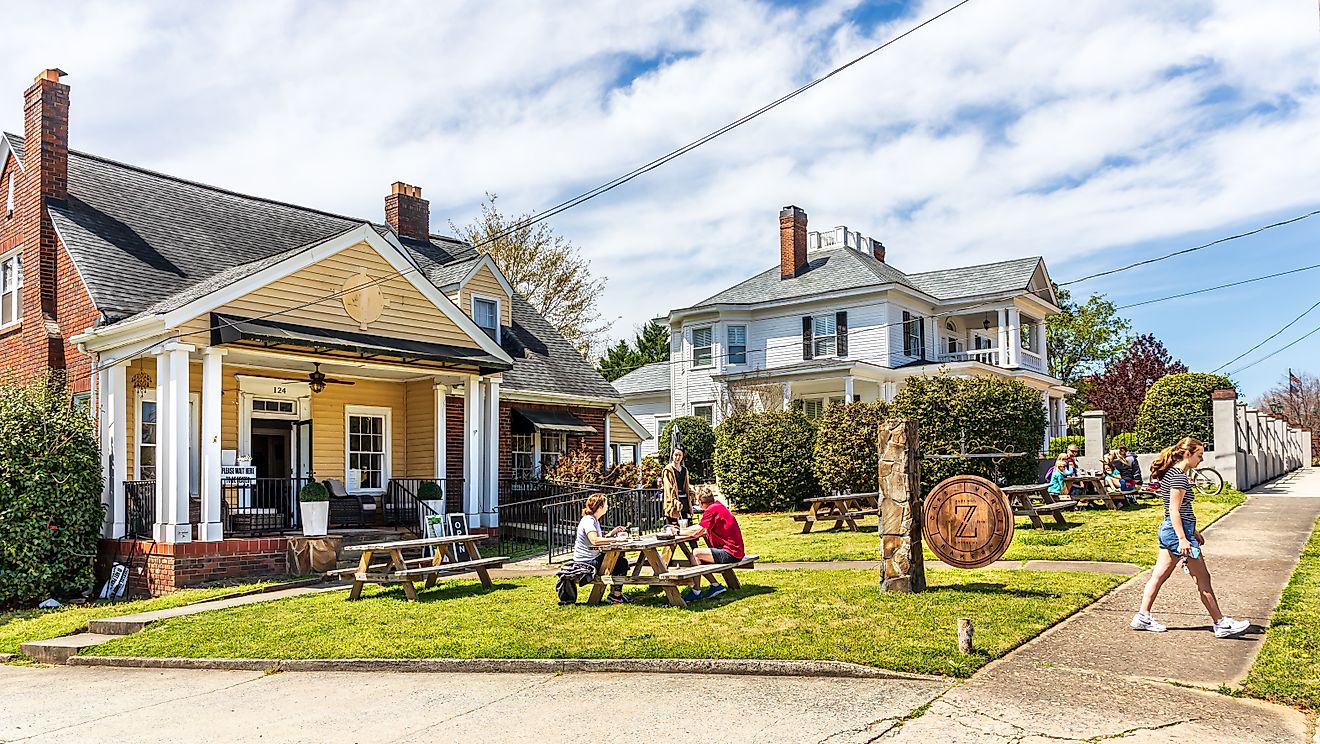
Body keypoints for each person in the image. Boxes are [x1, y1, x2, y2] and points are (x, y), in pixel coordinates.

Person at [1131, 437, 1250, 638]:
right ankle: (1220, 623)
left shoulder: (1173, 474)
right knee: (1203, 578)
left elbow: (1180, 510)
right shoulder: (1179, 477)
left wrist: (1193, 532)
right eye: (1199, 455)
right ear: (1188, 454)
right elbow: (1174, 510)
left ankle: (1143, 616)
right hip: (1177, 534)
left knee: (1159, 576)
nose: (1201, 460)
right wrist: (1184, 539)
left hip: (1174, 531)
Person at [678, 491, 745, 601]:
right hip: (736, 551)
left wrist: (677, 532)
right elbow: (701, 528)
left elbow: (697, 531)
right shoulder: (718, 506)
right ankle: (714, 586)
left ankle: (697, 591)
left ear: (700, 502)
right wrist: (684, 530)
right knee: (699, 558)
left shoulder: (711, 510)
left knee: (695, 554)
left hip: (731, 553)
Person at [571, 493, 631, 605]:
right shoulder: (589, 521)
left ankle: (615, 594)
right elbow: (594, 541)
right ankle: (615, 596)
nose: (607, 507)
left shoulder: (594, 520)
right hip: (586, 562)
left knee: (619, 560)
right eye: (606, 504)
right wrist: (617, 540)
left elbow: (596, 539)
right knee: (621, 563)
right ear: (600, 507)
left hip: (589, 558)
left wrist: (611, 534)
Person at [662, 446, 693, 527]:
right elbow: (668, 489)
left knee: (687, 525)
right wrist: (674, 501)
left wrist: (691, 493)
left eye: (680, 455)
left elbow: (686, 486)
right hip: (673, 503)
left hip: (684, 501)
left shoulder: (684, 470)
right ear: (672, 455)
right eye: (676, 455)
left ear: (682, 456)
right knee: (673, 527)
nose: (677, 457)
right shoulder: (668, 470)